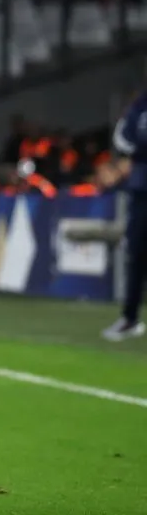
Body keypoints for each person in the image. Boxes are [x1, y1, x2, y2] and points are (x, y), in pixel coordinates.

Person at [102, 89, 147, 341]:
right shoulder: (140, 104)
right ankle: (130, 318)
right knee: (136, 254)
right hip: (142, 188)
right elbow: (123, 138)